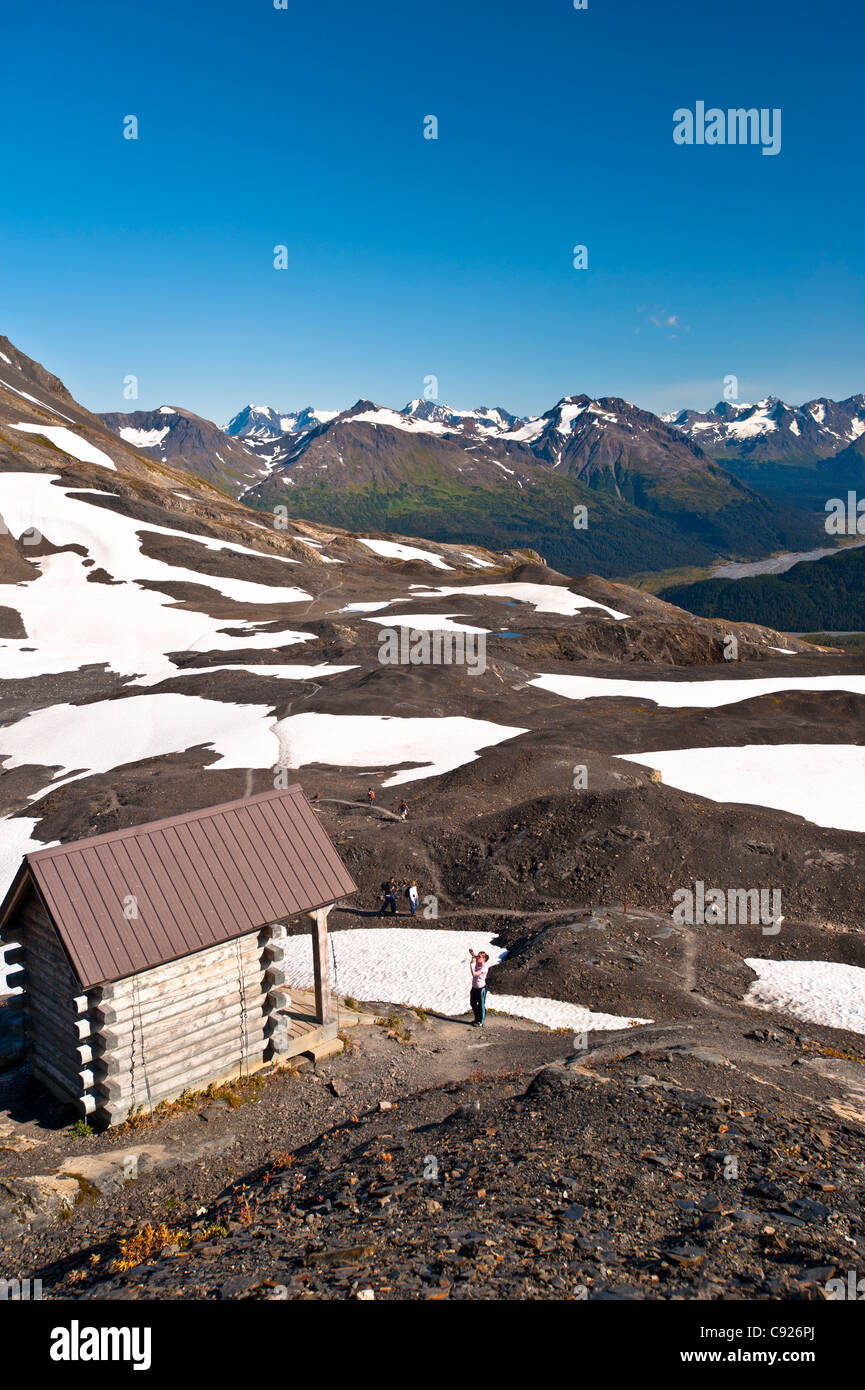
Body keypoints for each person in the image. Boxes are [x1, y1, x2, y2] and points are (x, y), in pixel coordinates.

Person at [468, 949, 490, 1027]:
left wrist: (471, 964)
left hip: (481, 989)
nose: (477, 958)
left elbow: (474, 974)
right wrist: (472, 953)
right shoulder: (479, 961)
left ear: (484, 959)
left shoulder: (484, 968)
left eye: (479, 957)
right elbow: (475, 956)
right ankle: (477, 1019)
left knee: (481, 1005)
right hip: (474, 987)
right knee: (473, 1003)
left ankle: (481, 1021)